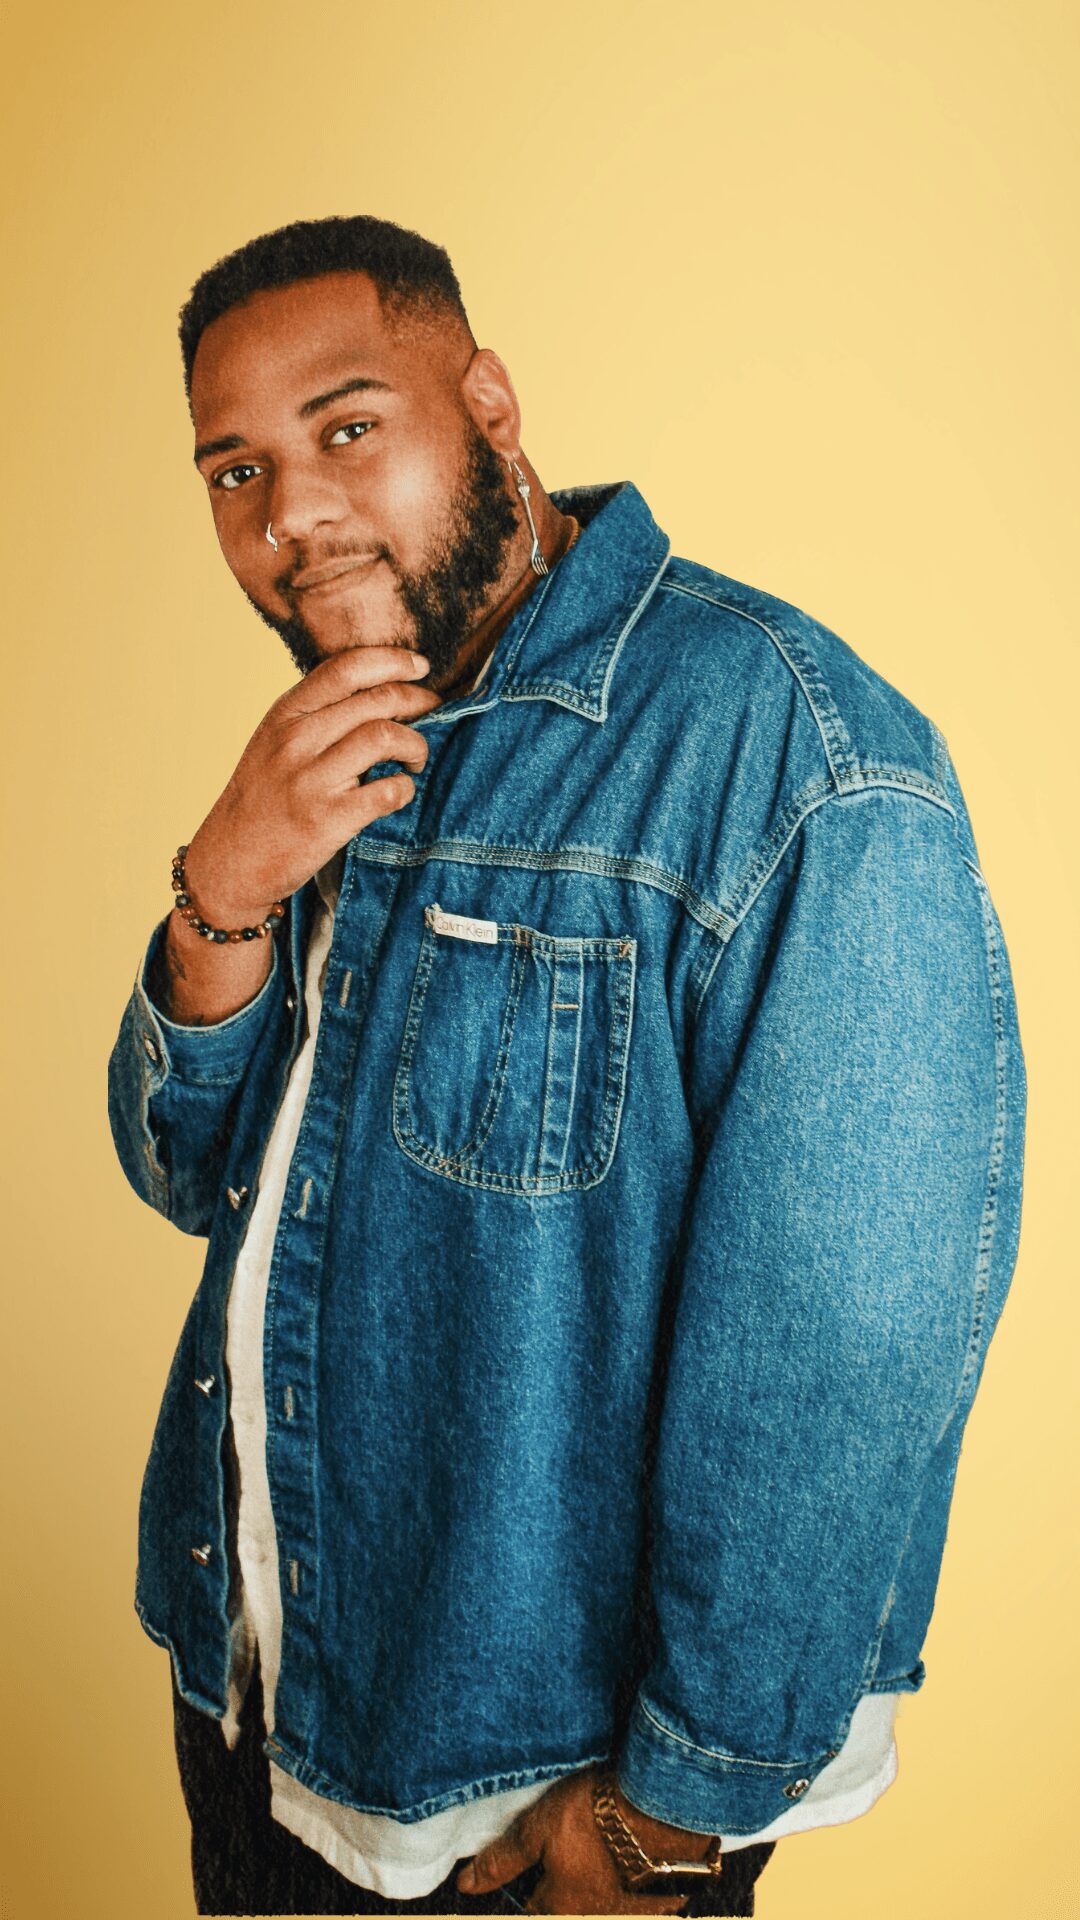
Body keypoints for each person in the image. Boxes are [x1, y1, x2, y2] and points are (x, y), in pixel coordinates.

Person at [107, 215, 1027, 1918]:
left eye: (348, 428)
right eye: (232, 468)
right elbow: (189, 1175)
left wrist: (667, 1826)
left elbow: (846, 1352)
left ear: (495, 407)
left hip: (519, 1830)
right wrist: (224, 884)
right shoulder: (330, 735)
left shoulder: (795, 760)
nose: (290, 511)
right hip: (253, 1718)